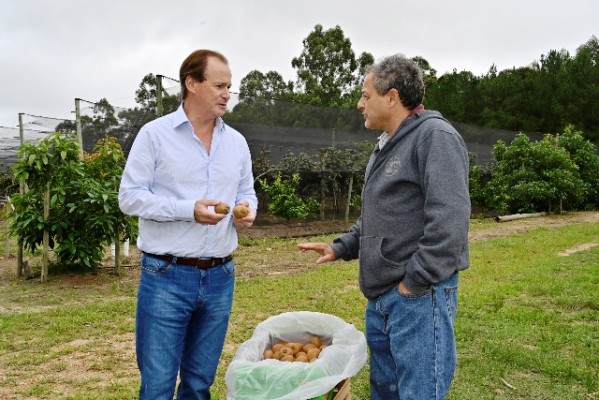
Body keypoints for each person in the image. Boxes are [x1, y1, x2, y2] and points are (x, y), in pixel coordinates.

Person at [298, 54, 470, 400]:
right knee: (387, 392)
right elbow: (380, 214)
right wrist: (341, 246)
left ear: (392, 97)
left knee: (418, 392)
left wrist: (415, 282)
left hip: (418, 298)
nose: (360, 104)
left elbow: (450, 218)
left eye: (366, 96)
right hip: (382, 298)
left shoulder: (435, 137)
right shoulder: (387, 144)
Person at [119, 49, 257, 400]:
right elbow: (130, 197)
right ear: (191, 83)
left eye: (230, 86)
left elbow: (247, 192)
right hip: (166, 275)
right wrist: (187, 209)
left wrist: (246, 208)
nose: (227, 93)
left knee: (199, 384)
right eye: (219, 85)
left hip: (220, 277)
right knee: (159, 385)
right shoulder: (155, 135)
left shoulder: (237, 142)